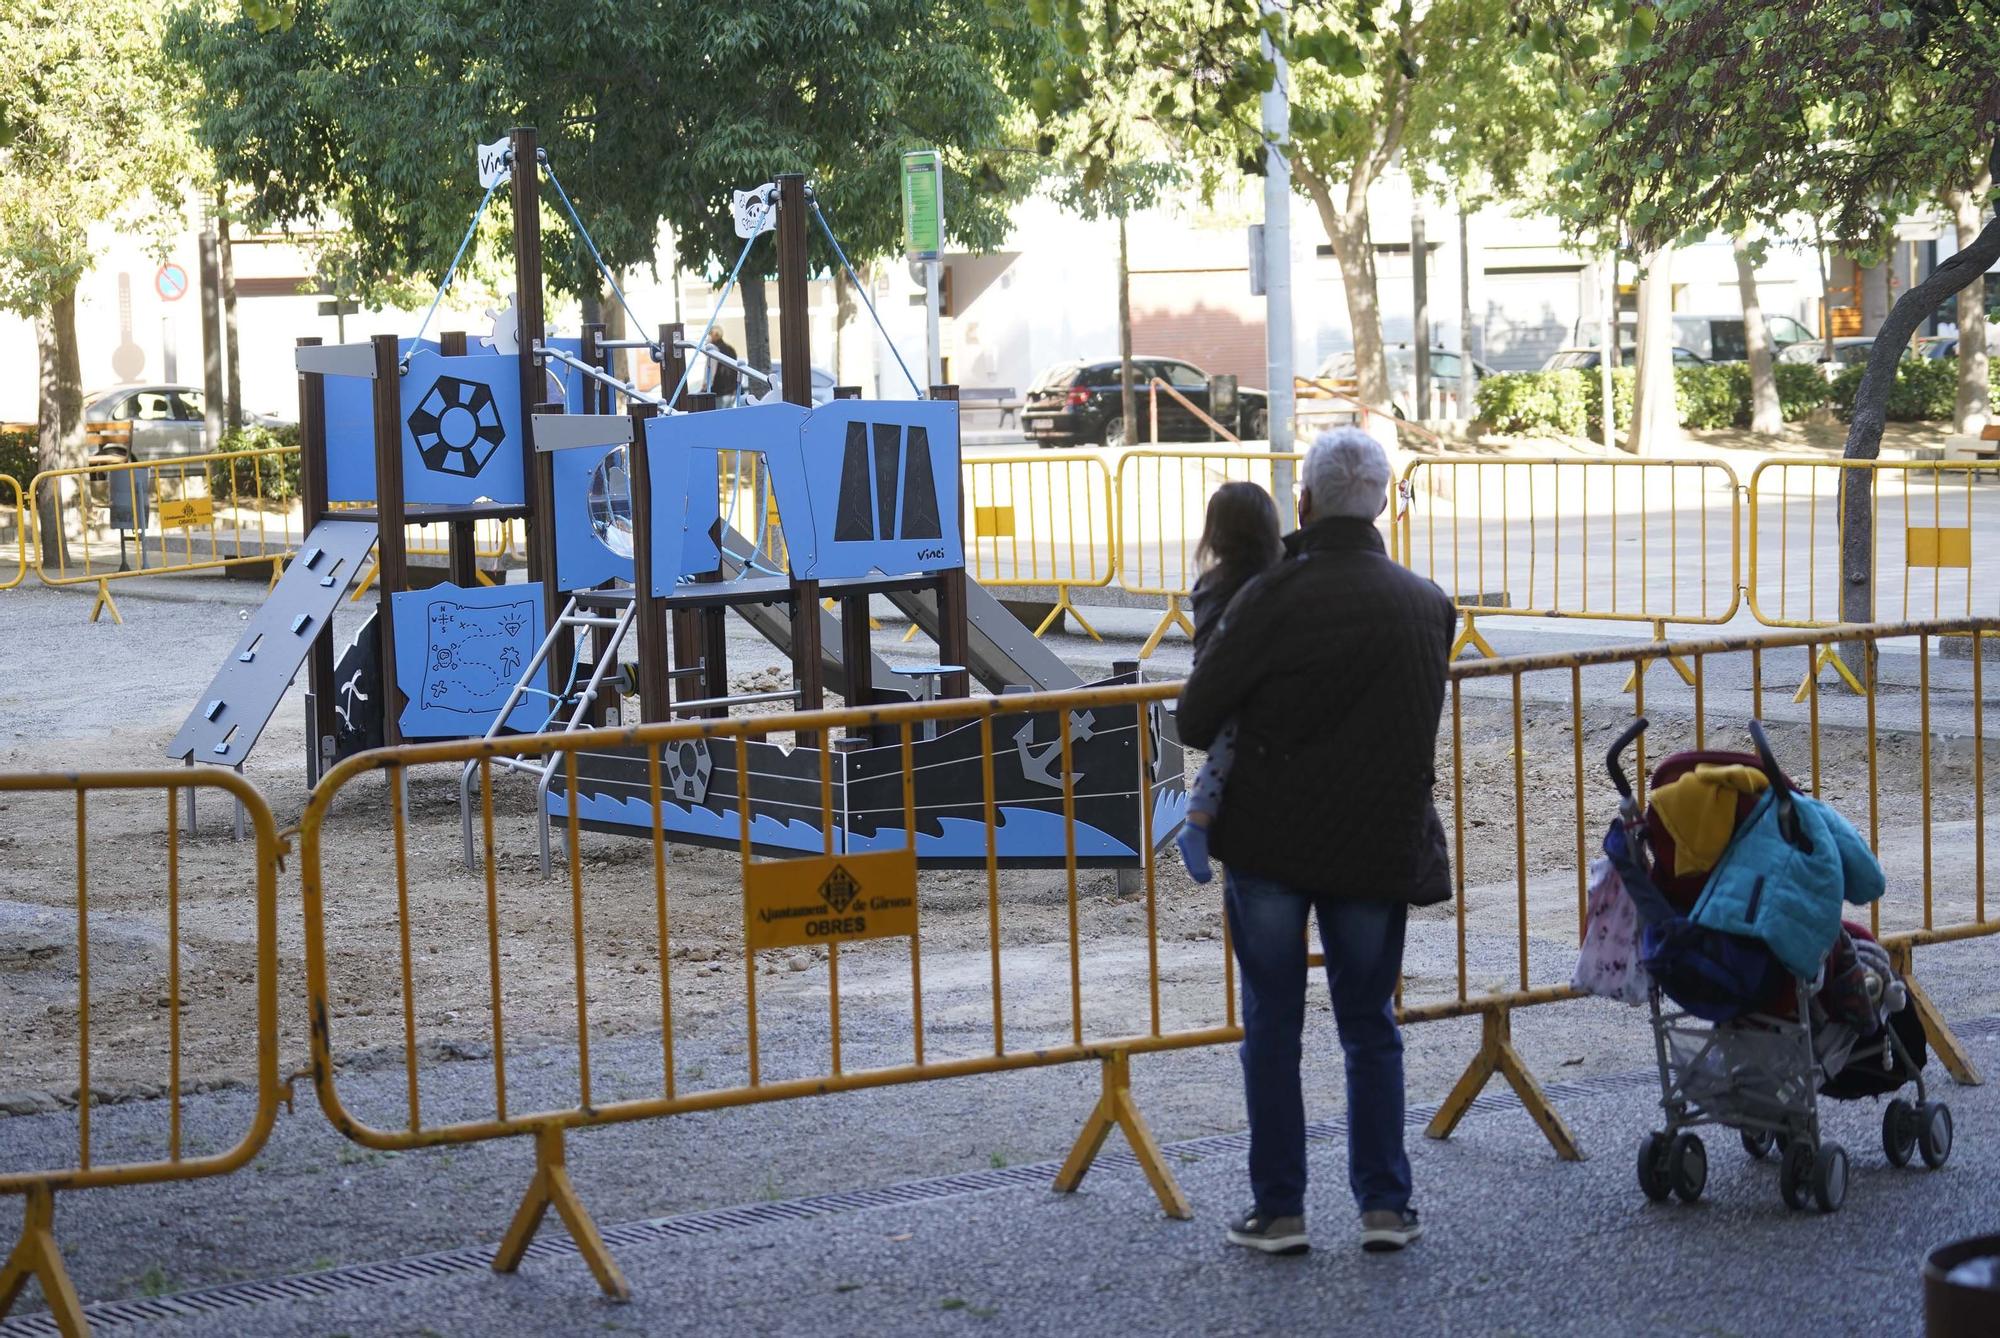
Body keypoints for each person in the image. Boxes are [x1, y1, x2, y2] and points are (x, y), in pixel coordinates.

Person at [1177, 427, 1454, 1257]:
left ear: (1303, 502)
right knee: (1370, 1024)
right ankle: (1385, 1204)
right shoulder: (1425, 602)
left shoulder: (1270, 599)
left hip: (1271, 846)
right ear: (1382, 503)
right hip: (1376, 844)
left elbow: (1197, 715)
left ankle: (1281, 1209)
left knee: (1273, 1026)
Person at [1176, 481, 1286, 884]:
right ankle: (1197, 824)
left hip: (1222, 690)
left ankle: (1197, 822)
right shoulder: (1274, 582)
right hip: (1253, 697)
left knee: (1220, 757)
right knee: (1226, 753)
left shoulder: (1213, 582)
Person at [706, 332, 741, 402]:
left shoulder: (714, 350)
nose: (708, 338)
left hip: (719, 390)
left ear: (715, 335)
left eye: (709, 335)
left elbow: (712, 370)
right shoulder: (730, 349)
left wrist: (707, 384)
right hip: (731, 389)